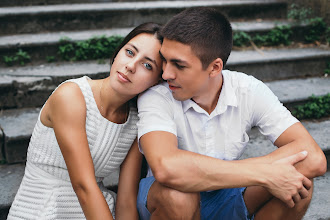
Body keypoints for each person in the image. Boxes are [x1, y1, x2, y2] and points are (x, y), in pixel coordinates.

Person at [136, 8, 327, 220]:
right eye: (165, 59)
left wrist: (257, 174)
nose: (166, 73)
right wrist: (264, 173)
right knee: (178, 197)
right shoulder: (157, 96)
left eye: (179, 65)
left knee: (299, 188)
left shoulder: (248, 90)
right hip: (171, 199)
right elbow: (166, 167)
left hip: (228, 194)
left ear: (215, 67)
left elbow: (314, 158)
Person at [7, 22, 163, 220]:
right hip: (43, 208)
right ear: (118, 52)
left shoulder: (135, 120)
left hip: (96, 210)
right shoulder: (71, 96)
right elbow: (83, 186)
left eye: (147, 65)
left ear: (157, 81)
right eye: (130, 52)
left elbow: (126, 200)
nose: (130, 66)